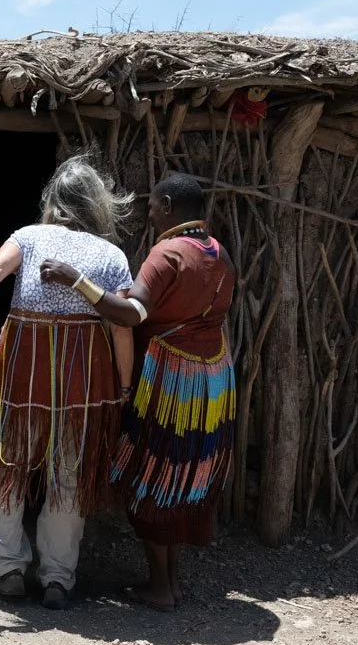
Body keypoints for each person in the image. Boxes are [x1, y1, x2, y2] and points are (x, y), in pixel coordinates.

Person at [47, 171, 236, 612]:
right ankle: (171, 580)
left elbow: (131, 313)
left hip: (170, 381)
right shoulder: (219, 253)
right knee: (182, 476)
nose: (148, 213)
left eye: (152, 205)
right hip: (212, 382)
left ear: (168, 205)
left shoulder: (168, 253)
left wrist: (76, 280)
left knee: (151, 474)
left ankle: (160, 588)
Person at [0, 156, 135, 609]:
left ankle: (7, 567)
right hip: (82, 375)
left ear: (54, 200)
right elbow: (121, 327)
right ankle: (57, 577)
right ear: (98, 206)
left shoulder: (29, 236)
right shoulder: (111, 255)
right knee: (69, 471)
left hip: (24, 363)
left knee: (10, 461)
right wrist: (125, 385)